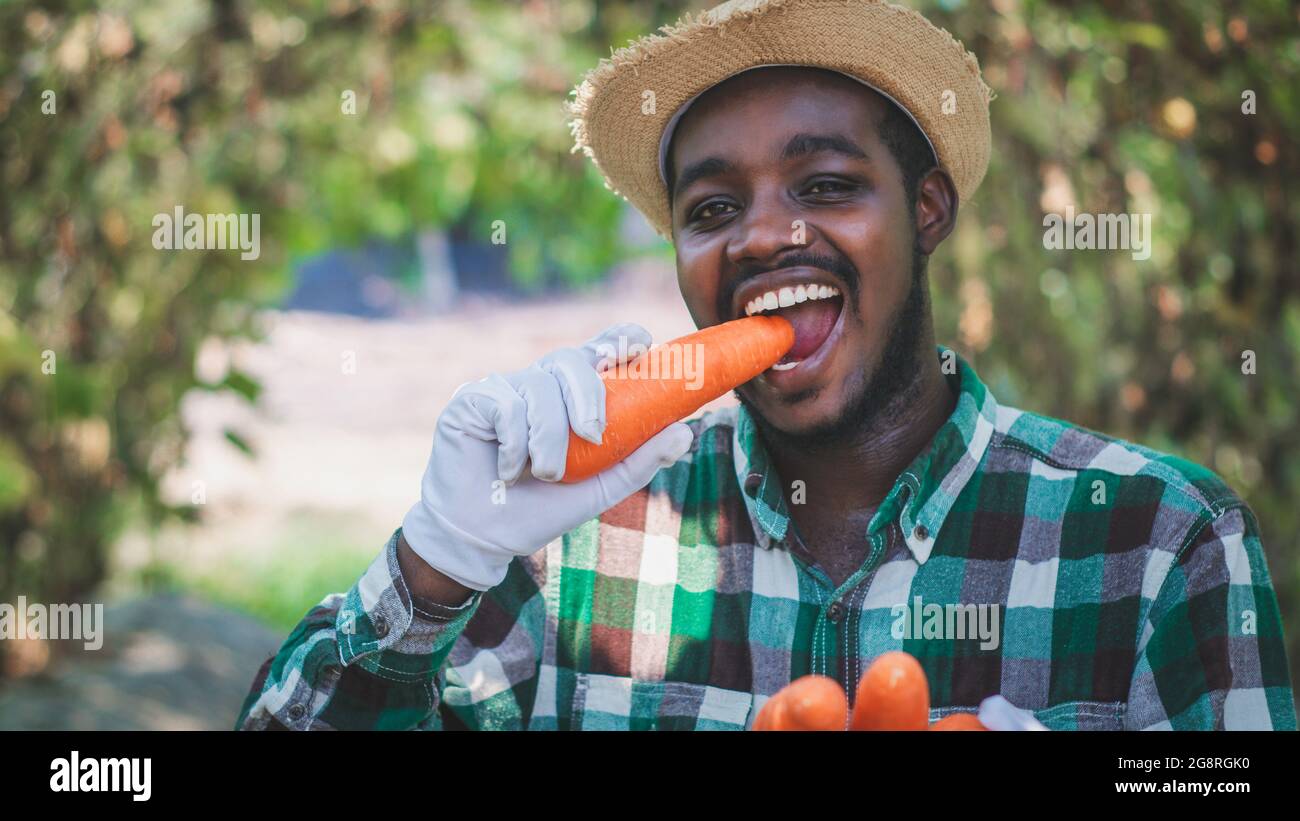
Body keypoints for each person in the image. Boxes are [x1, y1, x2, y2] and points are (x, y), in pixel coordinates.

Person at [237, 0, 1294, 730]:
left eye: (826, 184)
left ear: (925, 212)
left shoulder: (1159, 542)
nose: (762, 236)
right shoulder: (564, 544)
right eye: (712, 208)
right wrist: (433, 563)